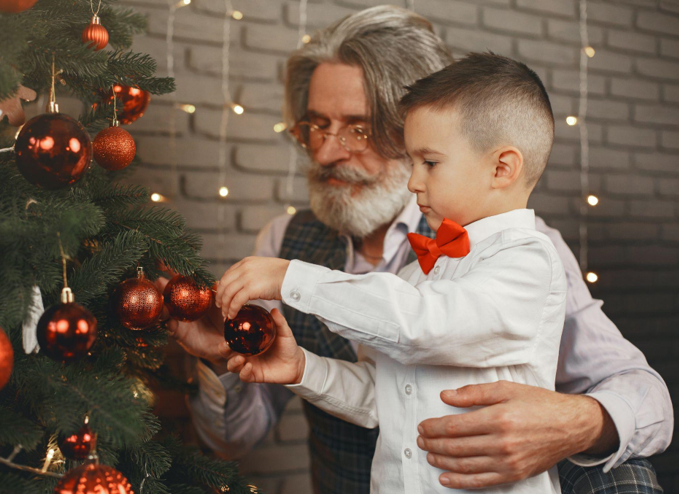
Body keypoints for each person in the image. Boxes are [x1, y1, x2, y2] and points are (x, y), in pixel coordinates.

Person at [160, 6, 672, 494]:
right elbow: (242, 437)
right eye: (316, 125)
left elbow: (647, 397)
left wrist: (580, 423)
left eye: (358, 128)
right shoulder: (287, 240)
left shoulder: (528, 253)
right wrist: (239, 357)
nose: (326, 151)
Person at [215, 52, 569, 494]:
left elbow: (423, 324)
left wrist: (294, 279)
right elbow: (380, 394)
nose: (413, 182)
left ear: (501, 168)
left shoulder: (528, 260)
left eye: (430, 163)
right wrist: (302, 368)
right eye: (412, 162)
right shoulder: (419, 273)